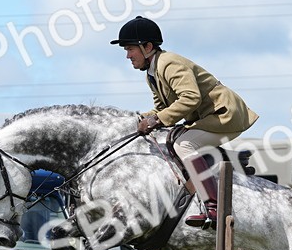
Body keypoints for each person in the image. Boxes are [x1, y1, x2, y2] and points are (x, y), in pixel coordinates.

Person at [111, 15, 259, 227]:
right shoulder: (152, 73)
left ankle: (214, 208)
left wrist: (155, 121)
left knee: (184, 144)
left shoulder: (169, 63)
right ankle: (230, 159)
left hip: (225, 114)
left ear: (148, 47)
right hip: (209, 116)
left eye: (130, 49)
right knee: (171, 137)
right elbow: (162, 109)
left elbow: (191, 98)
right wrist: (136, 119)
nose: (127, 56)